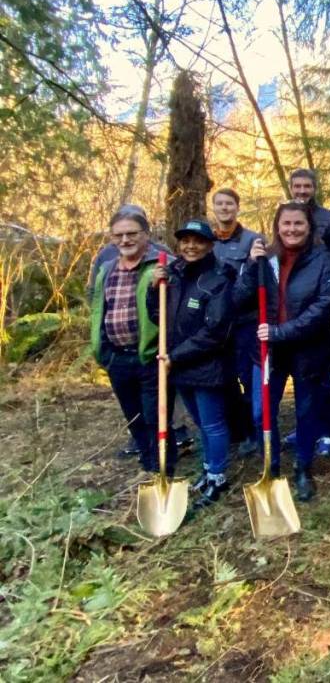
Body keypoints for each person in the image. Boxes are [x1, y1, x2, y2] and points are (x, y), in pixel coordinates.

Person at [234, 202, 330, 502]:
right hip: (268, 350)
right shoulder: (264, 257)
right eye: (286, 224)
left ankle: (303, 467)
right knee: (260, 413)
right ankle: (273, 465)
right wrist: (250, 267)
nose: (292, 229)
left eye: (298, 224)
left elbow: (325, 305)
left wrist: (283, 331)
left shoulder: (323, 260)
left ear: (309, 227)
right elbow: (239, 299)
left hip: (308, 348)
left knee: (306, 412)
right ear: (277, 227)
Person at [148, 219, 234, 507]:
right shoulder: (173, 275)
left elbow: (215, 331)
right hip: (178, 365)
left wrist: (176, 356)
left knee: (212, 424)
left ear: (210, 245)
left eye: (198, 241)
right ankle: (207, 469)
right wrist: (152, 288)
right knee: (198, 423)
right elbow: (157, 317)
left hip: (206, 364)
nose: (191, 246)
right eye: (185, 240)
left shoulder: (218, 279)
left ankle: (218, 475)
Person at [90, 207, 172, 476]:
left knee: (154, 416)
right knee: (134, 417)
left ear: (146, 234)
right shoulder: (106, 268)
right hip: (117, 357)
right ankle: (148, 466)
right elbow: (98, 306)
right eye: (119, 235)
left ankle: (164, 468)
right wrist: (101, 349)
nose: (125, 240)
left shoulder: (162, 264)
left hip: (150, 356)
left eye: (132, 234)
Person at [288, 168, 330, 456]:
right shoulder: (284, 219)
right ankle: (305, 427)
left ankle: (327, 430)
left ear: (314, 188)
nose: (301, 191)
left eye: (306, 186)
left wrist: (329, 300)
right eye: (297, 186)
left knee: (320, 372)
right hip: (291, 313)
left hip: (318, 309)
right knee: (300, 375)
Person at [210, 188, 264, 456]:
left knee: (248, 377)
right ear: (213, 208)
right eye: (219, 204)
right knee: (223, 379)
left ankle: (255, 432)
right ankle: (235, 429)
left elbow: (259, 281)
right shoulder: (206, 241)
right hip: (216, 327)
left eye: (229, 204)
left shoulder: (252, 241)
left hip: (246, 323)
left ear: (237, 207)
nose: (224, 208)